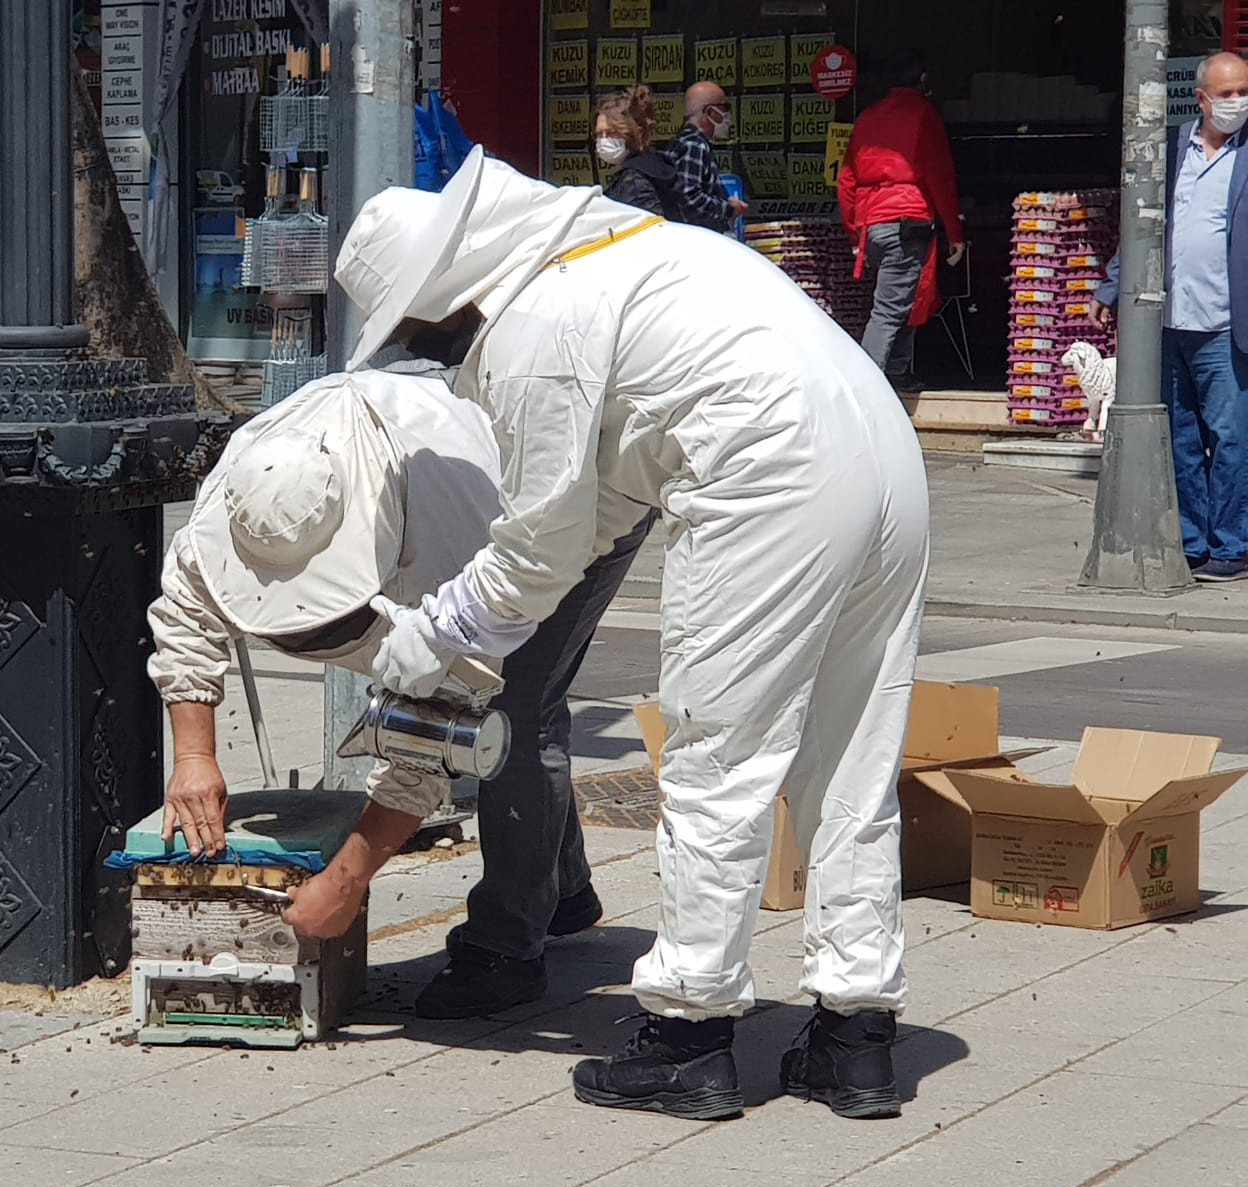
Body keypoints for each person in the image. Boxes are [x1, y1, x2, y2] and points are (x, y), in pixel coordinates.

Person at [331, 150, 930, 1122]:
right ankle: (855, 1035)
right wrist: (479, 617)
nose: (428, 349)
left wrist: (427, 639)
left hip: (766, 473)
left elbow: (538, 549)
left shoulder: (534, 320)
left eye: (413, 324)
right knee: (851, 760)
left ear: (443, 292)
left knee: (713, 763)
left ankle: (688, 1034)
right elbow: (599, 499)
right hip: (881, 452)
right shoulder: (617, 252)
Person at [147, 367, 652, 1018]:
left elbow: (437, 739)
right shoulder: (247, 490)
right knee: (516, 716)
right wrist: (193, 756)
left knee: (514, 716)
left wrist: (347, 881)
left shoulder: (453, 538)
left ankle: (507, 949)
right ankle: (563, 890)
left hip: (578, 504)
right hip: (484, 467)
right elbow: (187, 612)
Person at [1095, 50, 1248, 582]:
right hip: (1169, 323)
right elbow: (1142, 225)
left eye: (1243, 91)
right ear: (1201, 98)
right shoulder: (1172, 149)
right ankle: (1194, 542)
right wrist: (1112, 285)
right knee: (1180, 438)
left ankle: (1233, 545)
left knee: (1231, 439)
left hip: (1228, 326)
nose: (1237, 103)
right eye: (1226, 94)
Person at [837, 53, 965, 393]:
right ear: (923, 81)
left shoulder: (867, 117)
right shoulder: (924, 114)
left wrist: (855, 233)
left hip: (872, 224)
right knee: (890, 309)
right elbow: (939, 176)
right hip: (908, 220)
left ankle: (896, 372)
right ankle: (866, 388)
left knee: (905, 297)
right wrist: (955, 231)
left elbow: (846, 179)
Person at [664, 81, 748, 232]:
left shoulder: (683, 141)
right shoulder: (694, 145)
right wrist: (728, 209)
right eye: (725, 108)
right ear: (711, 112)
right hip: (694, 239)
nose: (728, 116)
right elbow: (689, 198)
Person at [595, 87, 681, 220]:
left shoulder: (635, 179)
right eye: (599, 134)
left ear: (638, 134)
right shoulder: (654, 166)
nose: (604, 140)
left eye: (612, 132)